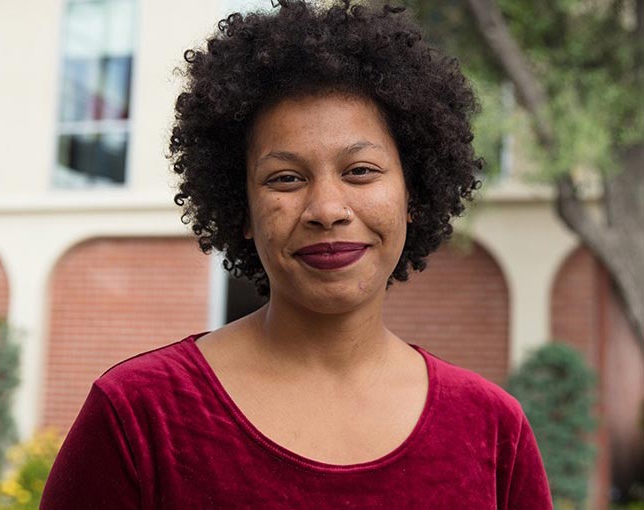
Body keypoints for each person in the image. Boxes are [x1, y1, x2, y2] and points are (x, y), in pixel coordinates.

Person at [40, 1, 553, 508]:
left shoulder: (493, 431)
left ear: (413, 194)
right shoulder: (138, 416)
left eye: (361, 171)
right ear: (242, 207)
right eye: (285, 178)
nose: (327, 209)